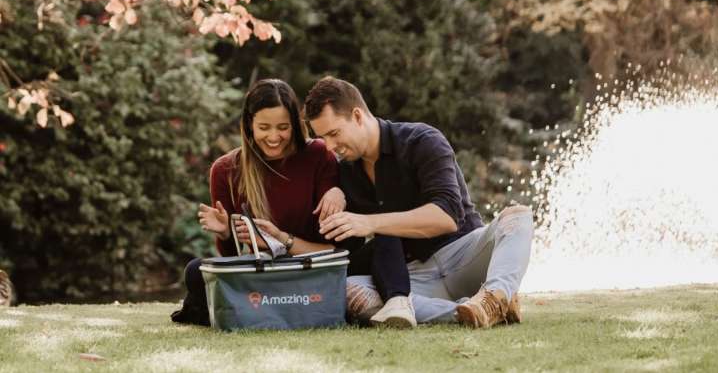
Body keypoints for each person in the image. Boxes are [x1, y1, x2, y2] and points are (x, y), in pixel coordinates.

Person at [305, 76, 534, 328]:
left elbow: (446, 217)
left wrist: (369, 222)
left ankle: (495, 296)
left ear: (358, 116)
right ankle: (465, 312)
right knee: (349, 290)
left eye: (334, 133)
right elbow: (349, 250)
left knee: (517, 216)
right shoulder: (347, 173)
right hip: (414, 276)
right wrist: (332, 191)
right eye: (322, 138)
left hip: (463, 256)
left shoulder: (421, 140)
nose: (329, 146)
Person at [170, 79, 346, 326]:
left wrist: (337, 191)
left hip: (310, 268)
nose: (274, 137)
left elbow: (336, 248)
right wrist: (225, 233)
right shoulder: (225, 169)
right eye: (264, 127)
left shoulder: (318, 154)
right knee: (195, 270)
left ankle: (250, 309)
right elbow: (232, 258)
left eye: (283, 127)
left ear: (295, 125)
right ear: (249, 125)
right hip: (262, 274)